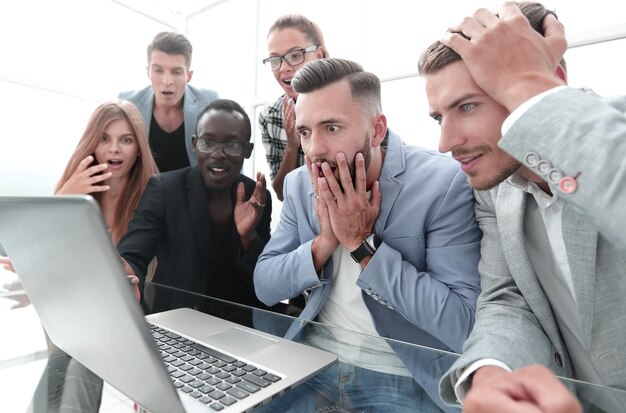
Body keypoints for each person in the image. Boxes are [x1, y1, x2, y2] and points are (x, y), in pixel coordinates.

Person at [418, 2, 626, 412]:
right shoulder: (493, 186)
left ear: (548, 83)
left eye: (467, 106)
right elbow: (509, 296)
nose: (446, 143)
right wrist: (493, 370)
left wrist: (533, 87)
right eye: (439, 116)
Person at [254, 58, 481, 412]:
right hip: (315, 359)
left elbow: (462, 323)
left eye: (331, 128)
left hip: (403, 372)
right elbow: (265, 285)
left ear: (377, 130)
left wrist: (361, 245)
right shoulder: (301, 184)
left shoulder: (443, 183)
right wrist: (325, 242)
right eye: (305, 131)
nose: (314, 150)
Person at [1, 100, 158, 412]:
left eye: (126, 140)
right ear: (92, 143)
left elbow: (145, 275)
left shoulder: (152, 196)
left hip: (126, 315)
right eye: (104, 138)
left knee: (79, 366)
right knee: (62, 366)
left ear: (139, 147)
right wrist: (64, 197)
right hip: (74, 312)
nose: (114, 149)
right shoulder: (76, 191)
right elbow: (41, 253)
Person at [117, 99, 275, 317]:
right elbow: (134, 254)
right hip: (176, 324)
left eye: (231, 145)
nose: (218, 154)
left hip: (239, 329)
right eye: (208, 142)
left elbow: (265, 279)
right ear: (193, 144)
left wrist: (248, 237)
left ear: (247, 150)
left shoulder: (257, 196)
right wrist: (129, 276)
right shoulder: (164, 189)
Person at [119, 31, 219, 173]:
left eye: (176, 72)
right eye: (158, 70)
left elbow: (228, 155)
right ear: (148, 72)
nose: (167, 81)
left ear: (188, 76)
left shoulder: (209, 103)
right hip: (143, 192)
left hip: (194, 191)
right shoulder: (128, 104)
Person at [259, 14, 328, 201]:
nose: (283, 68)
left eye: (295, 55)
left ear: (319, 55)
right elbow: (282, 194)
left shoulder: (348, 101)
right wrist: (292, 145)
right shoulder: (271, 115)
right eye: (275, 60)